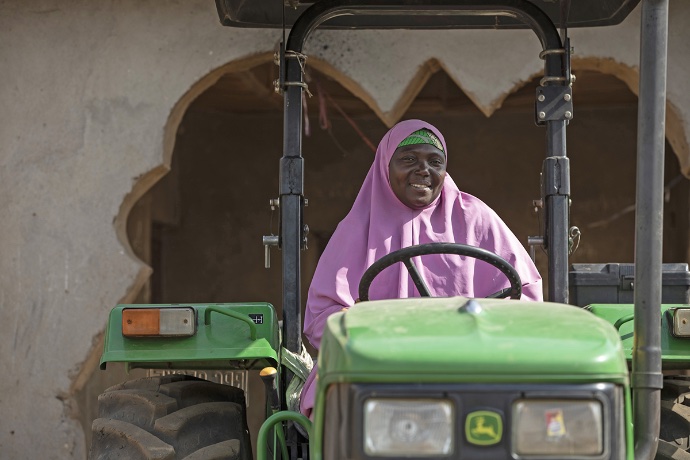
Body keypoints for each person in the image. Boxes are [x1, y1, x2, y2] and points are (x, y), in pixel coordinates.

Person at [299, 119, 542, 418]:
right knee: (341, 405)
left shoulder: (476, 218)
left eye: (434, 161)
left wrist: (478, 330)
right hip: (376, 364)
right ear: (386, 167)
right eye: (409, 159)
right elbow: (321, 320)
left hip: (469, 361)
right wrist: (367, 329)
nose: (423, 170)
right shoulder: (354, 229)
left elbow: (527, 296)